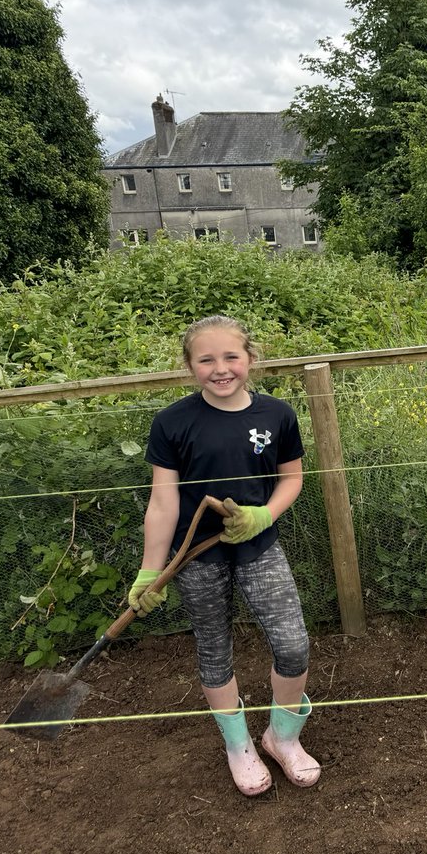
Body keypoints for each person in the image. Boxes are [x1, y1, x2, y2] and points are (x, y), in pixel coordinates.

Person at [129, 315, 320, 796]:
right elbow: (163, 502)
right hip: (195, 557)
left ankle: (283, 738)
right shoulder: (172, 422)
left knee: (293, 644)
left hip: (258, 547)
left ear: (250, 359)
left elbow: (291, 478)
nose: (221, 368)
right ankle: (239, 747)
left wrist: (263, 516)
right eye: (206, 359)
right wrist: (151, 571)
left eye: (231, 356)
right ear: (189, 366)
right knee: (214, 650)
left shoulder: (277, 414)